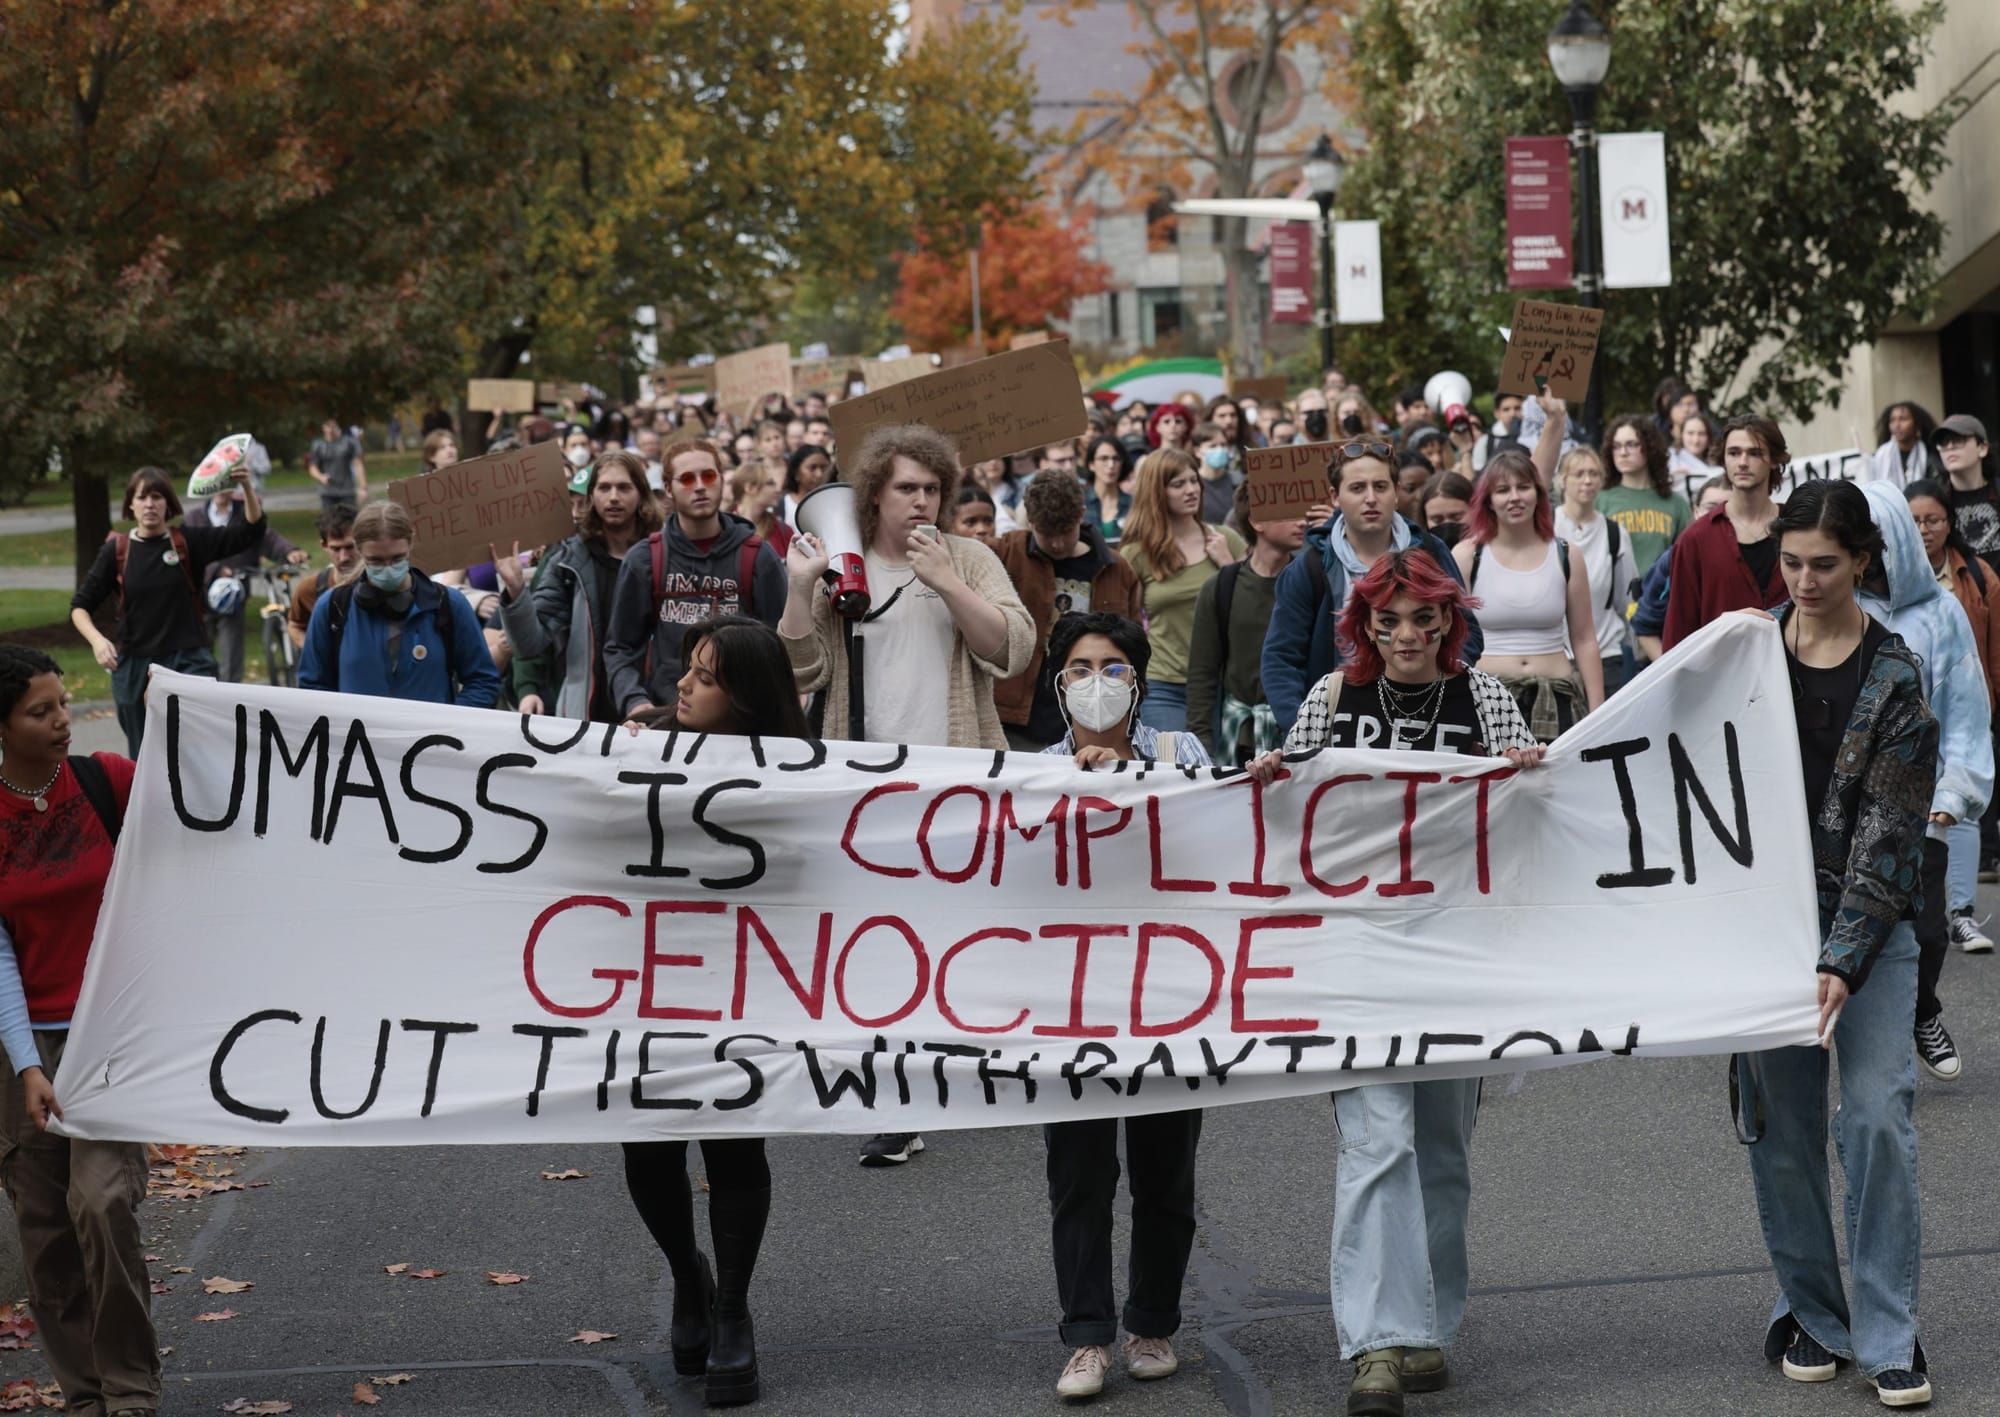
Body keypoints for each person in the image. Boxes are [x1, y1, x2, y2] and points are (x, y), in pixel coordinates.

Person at [1246, 551, 1542, 1417]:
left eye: (1426, 620)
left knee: (1441, 1148)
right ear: (1364, 626)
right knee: (1377, 1142)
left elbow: (1535, 807)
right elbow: (1291, 796)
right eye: (1390, 622)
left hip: (1455, 952)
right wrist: (1270, 776)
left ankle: (1429, 1328)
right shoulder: (1333, 698)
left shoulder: (1484, 698)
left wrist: (1530, 770)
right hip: (1359, 951)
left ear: (1451, 623)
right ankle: (1376, 1341)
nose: (1409, 636)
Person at [1734, 478, 1937, 1410]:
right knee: (1780, 1132)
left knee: (1877, 1121)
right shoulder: (1739, 657)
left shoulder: (1897, 675)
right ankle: (1816, 1311)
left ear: (1862, 560)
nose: (1805, 580)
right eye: (1790, 562)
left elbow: (1889, 836)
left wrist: (1842, 957)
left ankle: (1891, 1331)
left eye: (1824, 563)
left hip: (1876, 927)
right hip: (1762, 929)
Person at [780, 424, 1033, 1170]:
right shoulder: (843, 565)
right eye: (906, 490)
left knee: (953, 934)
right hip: (862, 787)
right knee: (878, 941)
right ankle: (899, 1101)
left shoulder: (972, 557)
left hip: (954, 775)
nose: (921, 502)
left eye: (932, 489)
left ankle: (957, 1060)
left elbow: (1013, 649)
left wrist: (948, 581)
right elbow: (798, 669)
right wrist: (801, 590)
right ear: (874, 496)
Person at [619, 617, 800, 1407]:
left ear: (752, 699)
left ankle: (731, 1307)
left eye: (707, 675)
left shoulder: (797, 769)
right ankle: (686, 1272)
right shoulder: (635, 743)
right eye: (687, 669)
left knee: (732, 1142)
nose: (685, 684)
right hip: (645, 975)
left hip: (741, 976)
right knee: (647, 1145)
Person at [1033, 614, 1207, 1400]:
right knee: (1080, 1171)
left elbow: (1214, 829)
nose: (1093, 681)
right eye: (1077, 667)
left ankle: (1153, 1322)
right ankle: (1086, 1336)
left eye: (1110, 666)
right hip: (1072, 999)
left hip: (1170, 992)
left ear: (1139, 682)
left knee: (1165, 1170)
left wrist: (1131, 782)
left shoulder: (1183, 753)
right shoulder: (1029, 771)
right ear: (1056, 682)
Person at [0, 647, 161, 1417]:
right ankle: (85, 1396)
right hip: (21, 1046)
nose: (64, 720)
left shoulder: (108, 782)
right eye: (41, 711)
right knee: (46, 1230)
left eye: (64, 703)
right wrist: (29, 1062)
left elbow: (202, 819)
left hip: (112, 1034)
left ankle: (130, 1390)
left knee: (101, 1203)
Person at [1853, 480, 1993, 1084]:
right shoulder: (1834, 607)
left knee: (1928, 932)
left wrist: (1951, 798)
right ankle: (1868, 1056)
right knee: (1855, 933)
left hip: (1921, 805)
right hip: (1846, 807)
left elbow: (1965, 708)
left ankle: (1922, 1008)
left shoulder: (1941, 614)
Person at [1261, 441, 1481, 733]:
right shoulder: (1310, 568)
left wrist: (1439, 690)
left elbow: (1467, 633)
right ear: (1334, 496)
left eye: (1380, 486)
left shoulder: (1431, 552)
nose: (1370, 498)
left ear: (1396, 492)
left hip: (1424, 719)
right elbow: (1281, 659)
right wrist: (1304, 727)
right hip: (1339, 725)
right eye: (1357, 488)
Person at [69, 464, 268, 755]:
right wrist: (98, 641)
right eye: (141, 497)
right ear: (131, 505)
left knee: (196, 750)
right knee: (145, 756)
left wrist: (247, 488)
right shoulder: (118, 551)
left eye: (157, 497)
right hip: (134, 665)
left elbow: (250, 531)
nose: (150, 504)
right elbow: (79, 607)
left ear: (168, 504)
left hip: (188, 660)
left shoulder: (188, 542)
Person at [604, 440, 789, 725]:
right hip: (667, 717)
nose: (700, 486)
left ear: (722, 480)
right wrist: (635, 701)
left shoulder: (759, 557)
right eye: (687, 479)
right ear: (668, 489)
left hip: (742, 724)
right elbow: (621, 647)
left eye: (709, 476)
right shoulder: (644, 559)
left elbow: (781, 642)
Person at [1903, 479, 2000, 956]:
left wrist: (1989, 707)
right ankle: (1919, 914)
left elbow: (1995, 650)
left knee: (1957, 805)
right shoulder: (1888, 582)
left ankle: (1961, 912)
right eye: (1914, 520)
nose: (1923, 529)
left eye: (1933, 519)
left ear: (1950, 523)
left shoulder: (1977, 577)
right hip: (1912, 722)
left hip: (1964, 712)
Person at [496, 450, 662, 722]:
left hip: (650, 707)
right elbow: (531, 643)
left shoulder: (663, 557)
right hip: (584, 712)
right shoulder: (567, 561)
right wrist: (515, 591)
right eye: (604, 488)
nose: (613, 497)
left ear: (641, 494)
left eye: (624, 488)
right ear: (591, 497)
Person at [1452, 450, 1604, 738]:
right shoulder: (1468, 555)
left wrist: (1598, 711)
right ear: (1488, 500)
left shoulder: (1566, 553)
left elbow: (1584, 638)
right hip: (1487, 702)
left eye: (1523, 487)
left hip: (1557, 700)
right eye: (1502, 490)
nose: (1514, 497)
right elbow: (1454, 640)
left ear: (1538, 494)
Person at [993, 472, 1144, 752]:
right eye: (1047, 534)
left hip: (1093, 724)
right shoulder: (1006, 553)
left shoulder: (1116, 568)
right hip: (1018, 721)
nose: (1058, 544)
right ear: (1030, 521)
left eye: (1066, 531)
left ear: (1082, 515)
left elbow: (1134, 648)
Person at [297, 501, 500, 707]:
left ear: (411, 543)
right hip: (359, 738)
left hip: (434, 738)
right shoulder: (333, 608)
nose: (388, 569)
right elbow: (312, 688)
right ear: (359, 551)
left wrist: (450, 727)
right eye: (376, 560)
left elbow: (483, 681)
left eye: (397, 558)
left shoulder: (448, 605)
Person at [1118, 448, 1244, 731]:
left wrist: (1227, 566)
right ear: (1157, 492)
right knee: (1173, 767)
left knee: (1219, 769)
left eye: (1193, 480)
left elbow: (1253, 611)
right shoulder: (1136, 554)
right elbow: (1126, 625)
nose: (1191, 490)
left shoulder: (1226, 539)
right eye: (1178, 484)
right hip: (1164, 685)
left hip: (1221, 683)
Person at [1186, 483, 1300, 765]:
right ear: (1257, 522)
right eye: (1289, 514)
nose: (1302, 521)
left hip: (1295, 740)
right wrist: (1202, 744)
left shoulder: (1310, 582)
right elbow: (1202, 672)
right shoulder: (1222, 587)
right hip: (1236, 740)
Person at [1661, 415, 1789, 650]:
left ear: (1773, 459)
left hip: (1794, 677)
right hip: (1721, 677)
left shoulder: (1799, 528)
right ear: (1723, 459)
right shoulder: (1695, 539)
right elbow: (1678, 634)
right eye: (1733, 453)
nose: (1742, 462)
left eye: (1754, 453)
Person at [183, 482, 305, 683]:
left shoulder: (244, 514)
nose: (222, 489)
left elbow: (267, 537)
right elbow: (187, 554)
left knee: (231, 655)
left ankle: (229, 701)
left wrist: (290, 551)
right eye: (217, 484)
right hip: (200, 598)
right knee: (199, 658)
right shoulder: (195, 518)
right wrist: (215, 571)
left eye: (227, 484)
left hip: (233, 597)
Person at [1553, 448, 1639, 695]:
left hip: (1607, 655)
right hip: (1557, 658)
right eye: (1579, 474)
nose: (1587, 481)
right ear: (1563, 480)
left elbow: (1628, 599)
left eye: (1593, 474)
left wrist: (1632, 649)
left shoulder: (1614, 533)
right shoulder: (1547, 527)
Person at [1632, 477, 1730, 665]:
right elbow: (1644, 627)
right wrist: (1671, 672)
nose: (1718, 514)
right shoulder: (1673, 559)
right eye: (1711, 507)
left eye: (1726, 508)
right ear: (1696, 511)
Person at [1596, 414, 1692, 580]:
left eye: (1631, 445)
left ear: (1650, 447)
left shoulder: (1676, 503)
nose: (1623, 453)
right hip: (1614, 600)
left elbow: (1688, 561)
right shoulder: (1599, 500)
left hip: (1661, 599)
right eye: (1616, 446)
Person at [288, 504, 361, 649]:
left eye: (349, 547)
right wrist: (313, 653)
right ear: (324, 545)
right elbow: (295, 626)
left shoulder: (381, 583)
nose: (343, 557)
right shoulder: (310, 589)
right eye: (336, 549)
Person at [1936, 414, 1999, 562]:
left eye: (1959, 440)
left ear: (1982, 448)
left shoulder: (1997, 490)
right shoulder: (1936, 501)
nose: (1950, 447)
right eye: (1943, 442)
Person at [728, 459, 794, 559]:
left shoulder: (783, 530)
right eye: (770, 483)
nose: (778, 489)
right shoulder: (724, 528)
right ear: (750, 488)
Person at [1870, 402, 1942, 486]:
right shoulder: (1881, 455)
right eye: (1892, 420)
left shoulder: (1929, 456)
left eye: (1903, 419)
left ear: (1917, 424)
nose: (1896, 425)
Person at [307, 415, 366, 510]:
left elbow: (358, 464)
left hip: (347, 491)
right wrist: (321, 477)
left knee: (349, 521)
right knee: (329, 522)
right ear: (323, 428)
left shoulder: (349, 443)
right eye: (328, 426)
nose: (330, 430)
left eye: (333, 426)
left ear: (338, 427)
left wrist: (362, 487)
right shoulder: (319, 445)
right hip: (327, 492)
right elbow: (312, 467)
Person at [1083, 437, 1133, 543]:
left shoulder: (1134, 504)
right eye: (1104, 459)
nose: (1111, 465)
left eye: (1116, 459)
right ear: (1091, 464)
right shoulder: (1080, 503)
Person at [1192, 421, 1241, 524]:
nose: (1220, 450)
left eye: (1223, 445)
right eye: (1212, 446)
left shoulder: (1238, 481)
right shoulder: (1192, 484)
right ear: (1197, 451)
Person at [1669, 410, 1723, 497]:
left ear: (1708, 437)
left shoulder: (1718, 466)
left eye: (1701, 434)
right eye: (1690, 433)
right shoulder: (1670, 458)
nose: (1696, 440)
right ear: (1682, 435)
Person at [780, 443, 833, 527]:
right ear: (796, 473)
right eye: (812, 468)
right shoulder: (782, 506)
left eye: (824, 468)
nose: (819, 474)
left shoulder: (835, 505)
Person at [1419, 472, 1474, 540]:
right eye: (1437, 520)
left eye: (1457, 518)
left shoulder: (1487, 548)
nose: (1447, 525)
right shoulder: (1414, 547)